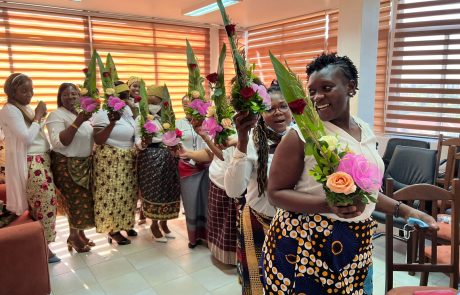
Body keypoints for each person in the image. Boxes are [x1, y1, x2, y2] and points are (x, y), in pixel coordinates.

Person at [261, 53, 438, 294]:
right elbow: (275, 193)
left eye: (327, 87)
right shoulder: (301, 136)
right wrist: (328, 205)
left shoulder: (364, 129)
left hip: (357, 240)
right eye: (312, 91)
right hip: (307, 242)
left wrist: (405, 210)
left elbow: (365, 191)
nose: (317, 97)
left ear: (350, 87)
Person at [224, 80, 292, 294]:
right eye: (270, 109)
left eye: (283, 106)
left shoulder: (302, 141)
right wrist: (242, 141)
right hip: (257, 221)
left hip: (293, 225)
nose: (278, 113)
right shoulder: (251, 143)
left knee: (289, 281)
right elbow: (234, 191)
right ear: (260, 113)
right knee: (258, 282)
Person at [0, 73, 60, 263]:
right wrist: (39, 116)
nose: (30, 94)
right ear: (11, 91)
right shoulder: (9, 109)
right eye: (24, 90)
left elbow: (35, 133)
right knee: (45, 204)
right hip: (31, 162)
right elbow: (26, 138)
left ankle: (42, 245)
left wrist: (39, 118)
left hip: (41, 159)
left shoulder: (22, 107)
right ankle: (44, 247)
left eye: (31, 89)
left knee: (43, 204)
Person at [46, 83, 95, 253]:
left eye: (74, 94)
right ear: (60, 98)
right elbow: (61, 142)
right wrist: (79, 120)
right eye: (65, 95)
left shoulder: (84, 115)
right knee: (75, 202)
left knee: (84, 201)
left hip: (84, 163)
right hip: (66, 164)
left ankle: (79, 234)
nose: (71, 97)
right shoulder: (56, 115)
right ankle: (73, 237)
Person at [92, 83, 137, 245]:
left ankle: (125, 223)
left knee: (127, 194)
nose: (126, 99)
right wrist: (112, 123)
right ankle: (112, 230)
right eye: (122, 96)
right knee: (112, 195)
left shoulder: (127, 111)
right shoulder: (103, 113)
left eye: (127, 95)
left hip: (127, 158)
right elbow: (97, 139)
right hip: (110, 159)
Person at [135, 85, 181, 243]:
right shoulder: (141, 119)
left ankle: (164, 223)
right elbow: (137, 143)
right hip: (151, 158)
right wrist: (144, 142)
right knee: (155, 192)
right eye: (150, 103)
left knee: (169, 191)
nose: (153, 106)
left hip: (169, 159)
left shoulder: (166, 119)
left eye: (156, 103)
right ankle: (154, 225)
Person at [176, 95, 211, 248]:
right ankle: (193, 238)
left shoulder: (207, 121)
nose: (186, 108)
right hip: (187, 167)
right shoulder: (178, 123)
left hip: (207, 164)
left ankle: (209, 236)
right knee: (190, 203)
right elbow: (174, 143)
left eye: (189, 105)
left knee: (207, 202)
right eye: (184, 105)